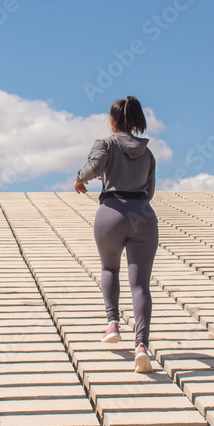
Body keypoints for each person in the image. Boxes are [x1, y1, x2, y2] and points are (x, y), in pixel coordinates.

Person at [75, 96, 158, 373]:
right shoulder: (147, 153)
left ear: (112, 121)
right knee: (141, 285)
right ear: (135, 122)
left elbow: (94, 166)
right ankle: (142, 346)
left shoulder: (106, 143)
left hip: (111, 211)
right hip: (143, 215)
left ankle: (112, 324)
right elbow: (150, 191)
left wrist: (80, 178)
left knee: (109, 268)